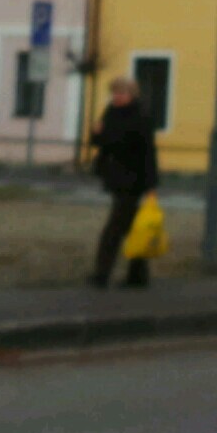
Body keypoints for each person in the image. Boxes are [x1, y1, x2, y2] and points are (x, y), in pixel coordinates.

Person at [90, 76, 160, 287]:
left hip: (133, 179)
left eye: (121, 93)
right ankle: (138, 276)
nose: (117, 97)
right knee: (132, 229)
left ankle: (101, 274)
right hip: (115, 177)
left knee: (113, 229)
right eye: (115, 93)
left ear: (132, 95)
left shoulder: (140, 117)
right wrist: (96, 134)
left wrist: (151, 186)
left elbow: (148, 153)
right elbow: (103, 143)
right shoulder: (111, 112)